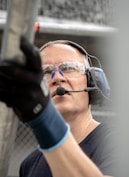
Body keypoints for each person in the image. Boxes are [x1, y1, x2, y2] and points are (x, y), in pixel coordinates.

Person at [0, 37, 116, 177]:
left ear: (91, 81)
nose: (57, 78)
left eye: (68, 68)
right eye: (46, 73)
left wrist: (45, 119)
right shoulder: (29, 165)